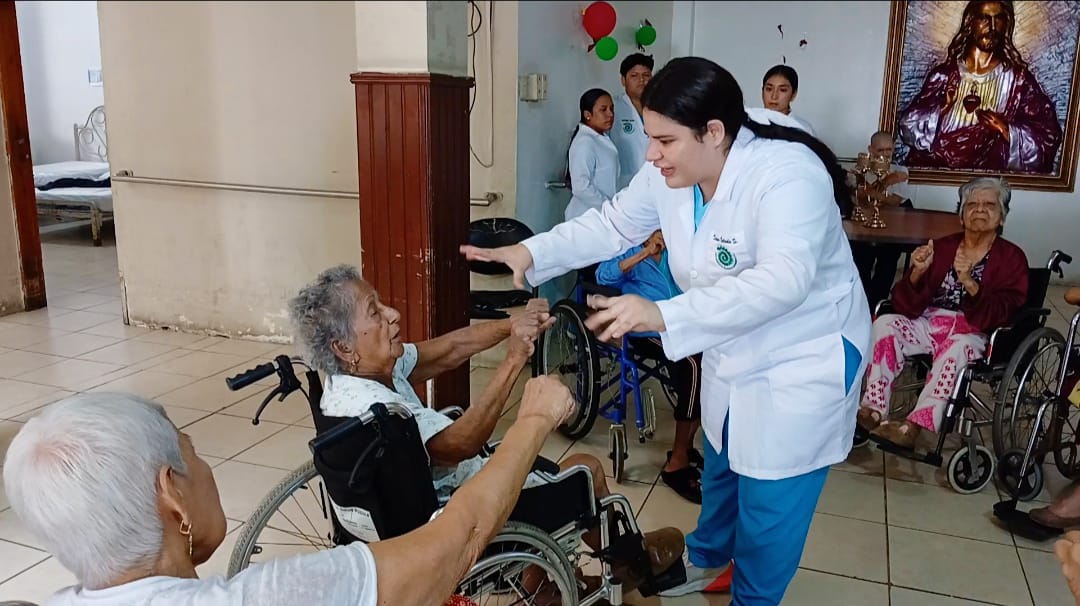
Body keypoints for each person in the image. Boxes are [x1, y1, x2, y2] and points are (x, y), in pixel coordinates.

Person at [461, 56, 871, 605]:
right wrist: (532, 252)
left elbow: (784, 280)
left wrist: (663, 314)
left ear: (714, 133)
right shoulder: (675, 170)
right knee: (722, 457)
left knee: (770, 500)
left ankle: (753, 597)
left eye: (664, 141)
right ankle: (707, 558)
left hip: (803, 354)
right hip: (732, 342)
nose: (651, 154)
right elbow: (612, 223)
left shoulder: (787, 175)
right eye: (650, 137)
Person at [287, 264, 684, 593]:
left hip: (415, 506)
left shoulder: (350, 382)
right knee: (586, 468)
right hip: (459, 513)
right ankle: (632, 566)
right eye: (374, 312)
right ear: (343, 347)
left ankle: (544, 589)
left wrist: (512, 326)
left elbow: (450, 348)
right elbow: (461, 443)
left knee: (540, 468)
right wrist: (514, 361)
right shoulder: (381, 412)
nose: (392, 314)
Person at [1, 383, 579, 606]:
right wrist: (533, 418)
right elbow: (459, 536)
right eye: (191, 453)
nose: (205, 469)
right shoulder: (277, 595)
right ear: (171, 497)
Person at [857, 177, 1028, 448]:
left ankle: (913, 425)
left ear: (1003, 216)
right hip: (929, 322)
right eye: (971, 204)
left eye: (989, 205)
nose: (979, 209)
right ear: (961, 215)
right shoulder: (943, 247)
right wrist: (916, 273)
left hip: (974, 331)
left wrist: (970, 283)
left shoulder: (1012, 258)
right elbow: (903, 303)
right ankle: (872, 409)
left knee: (956, 348)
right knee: (885, 324)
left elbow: (1006, 311)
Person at [595, 230, 705, 504]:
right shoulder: (629, 248)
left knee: (714, 360)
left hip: (678, 324)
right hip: (644, 330)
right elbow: (603, 276)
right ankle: (677, 461)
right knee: (692, 365)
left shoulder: (675, 250)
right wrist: (643, 252)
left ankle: (687, 445)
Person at [898, 0, 1061, 173]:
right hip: (938, 173)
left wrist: (1005, 130)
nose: (992, 27)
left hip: (990, 178)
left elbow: (1048, 136)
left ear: (1006, 24)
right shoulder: (944, 76)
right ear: (970, 22)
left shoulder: (1019, 82)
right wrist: (942, 109)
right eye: (984, 18)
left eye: (998, 18)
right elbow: (908, 126)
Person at [850, 130, 915, 308]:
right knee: (860, 262)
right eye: (880, 150)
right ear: (870, 149)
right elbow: (861, 199)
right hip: (864, 229)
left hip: (891, 229)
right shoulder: (860, 169)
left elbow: (895, 201)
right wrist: (887, 183)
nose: (885, 154)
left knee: (887, 264)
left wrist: (872, 191)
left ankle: (877, 306)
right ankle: (861, 304)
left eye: (889, 150)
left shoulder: (900, 171)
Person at [566, 88, 619, 222]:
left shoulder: (600, 138)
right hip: (586, 216)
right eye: (603, 110)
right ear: (587, 114)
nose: (610, 114)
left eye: (612, 109)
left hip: (601, 215)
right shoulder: (585, 142)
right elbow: (581, 186)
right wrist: (607, 206)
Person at [610, 53, 654, 189]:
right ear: (623, 80)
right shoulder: (613, 108)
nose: (641, 80)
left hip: (654, 180)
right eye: (634, 76)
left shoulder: (660, 107)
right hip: (624, 182)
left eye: (646, 75)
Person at [761, 64, 815, 136]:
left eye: (782, 90)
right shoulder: (751, 125)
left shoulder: (803, 129)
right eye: (769, 89)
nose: (774, 96)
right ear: (762, 92)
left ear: (793, 95)